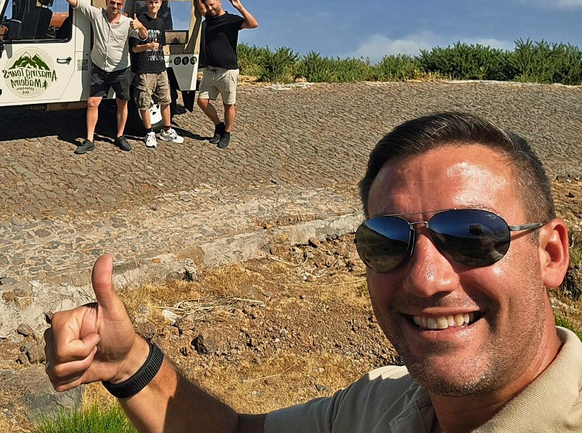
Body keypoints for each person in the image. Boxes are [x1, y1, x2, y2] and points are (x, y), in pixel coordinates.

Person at [44, 111, 580, 432]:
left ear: (550, 253)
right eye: (389, 241)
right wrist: (131, 363)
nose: (425, 279)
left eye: (471, 236)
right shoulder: (383, 404)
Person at [39, 0, 148, 154]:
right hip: (100, 68)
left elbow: (144, 36)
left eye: (118, 4)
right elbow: (74, 1)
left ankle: (120, 136)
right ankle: (89, 139)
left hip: (121, 70)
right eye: (112, 2)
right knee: (92, 103)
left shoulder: (128, 23)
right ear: (107, 2)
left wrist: (140, 26)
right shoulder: (97, 14)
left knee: (122, 103)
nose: (115, 6)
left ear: (122, 5)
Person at [187, 0, 258, 149]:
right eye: (208, 6)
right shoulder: (209, 18)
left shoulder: (231, 20)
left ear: (219, 2)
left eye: (213, 5)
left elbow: (253, 24)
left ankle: (226, 132)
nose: (210, 8)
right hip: (210, 71)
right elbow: (201, 8)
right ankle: (218, 125)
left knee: (228, 104)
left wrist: (239, 7)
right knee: (202, 102)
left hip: (228, 71)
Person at [130, 0, 184, 148]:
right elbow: (134, 49)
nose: (154, 5)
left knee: (166, 100)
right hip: (144, 70)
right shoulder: (140, 20)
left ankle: (167, 130)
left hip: (160, 68)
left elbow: (161, 46)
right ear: (146, 3)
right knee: (144, 103)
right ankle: (149, 132)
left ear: (161, 4)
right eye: (151, 2)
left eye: (156, 2)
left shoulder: (161, 23)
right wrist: (147, 46)